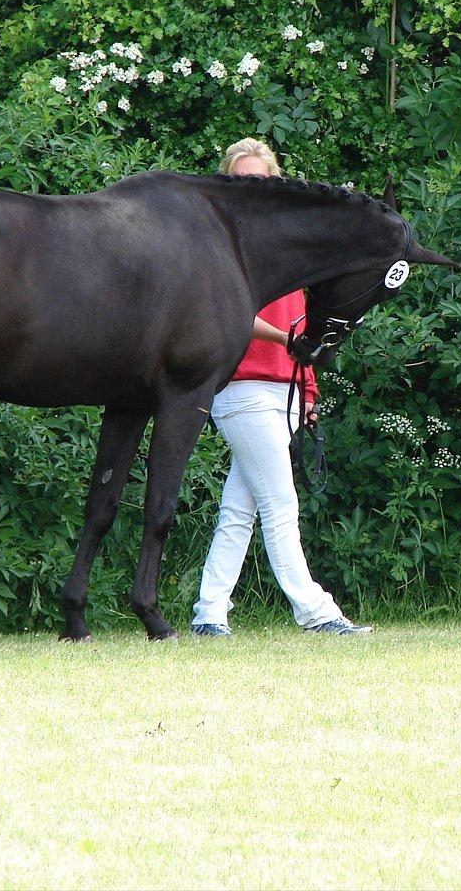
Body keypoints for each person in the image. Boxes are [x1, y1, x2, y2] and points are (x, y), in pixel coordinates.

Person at [190, 137, 372, 637]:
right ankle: (316, 612)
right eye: (242, 179)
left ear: (276, 181)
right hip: (243, 388)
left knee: (240, 509)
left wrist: (307, 392)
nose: (253, 186)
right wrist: (286, 340)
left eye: (261, 179)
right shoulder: (223, 245)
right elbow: (232, 316)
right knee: (280, 504)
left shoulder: (286, 249)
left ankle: (209, 612)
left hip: (285, 392)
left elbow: (303, 334)